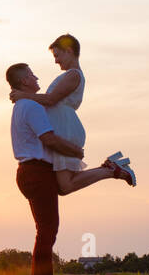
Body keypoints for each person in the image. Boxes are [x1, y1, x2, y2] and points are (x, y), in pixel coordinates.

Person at [6, 60, 130, 275]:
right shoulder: (31, 107)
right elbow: (49, 138)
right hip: (37, 171)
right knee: (47, 230)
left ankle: (110, 170)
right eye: (32, 75)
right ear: (24, 81)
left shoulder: (21, 105)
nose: (36, 78)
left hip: (29, 171)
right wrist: (75, 150)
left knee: (63, 189)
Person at [9, 34, 136, 193]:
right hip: (64, 126)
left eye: (57, 55)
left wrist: (23, 95)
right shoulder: (70, 74)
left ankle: (111, 170)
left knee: (66, 185)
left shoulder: (73, 74)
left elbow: (51, 99)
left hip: (65, 129)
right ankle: (110, 169)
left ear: (68, 51)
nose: (56, 61)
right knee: (64, 186)